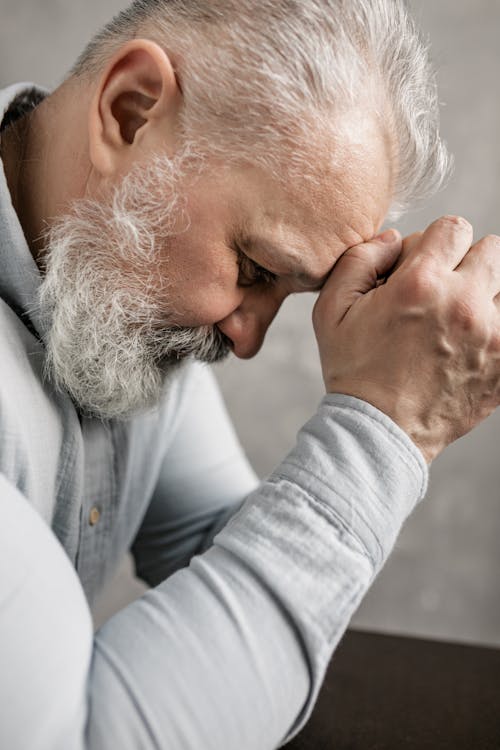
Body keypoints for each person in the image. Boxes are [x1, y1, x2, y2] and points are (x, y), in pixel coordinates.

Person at [1, 1, 499, 748]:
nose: (246, 339)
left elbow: (214, 554)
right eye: (255, 269)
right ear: (130, 109)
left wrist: (401, 370)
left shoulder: (102, 287)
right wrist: (386, 427)